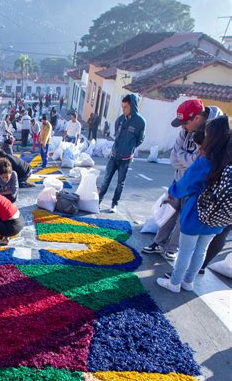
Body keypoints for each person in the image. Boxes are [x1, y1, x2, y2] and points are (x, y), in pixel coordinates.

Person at [157, 116, 231, 293]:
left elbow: (186, 184)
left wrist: (172, 191)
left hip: (197, 211)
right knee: (201, 250)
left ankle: (174, 283)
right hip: (218, 217)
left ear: (213, 136)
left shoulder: (207, 160)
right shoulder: (228, 160)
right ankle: (188, 282)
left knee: (186, 250)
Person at [143, 100, 223, 260]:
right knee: (169, 211)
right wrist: (187, 159)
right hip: (179, 180)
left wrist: (183, 158)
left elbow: (199, 164)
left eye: (185, 123)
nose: (182, 127)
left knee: (184, 218)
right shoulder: (186, 131)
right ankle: (159, 243)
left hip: (196, 186)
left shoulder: (212, 133)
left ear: (198, 119)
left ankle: (172, 248)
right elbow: (174, 158)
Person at [98, 94, 146, 213]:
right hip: (114, 156)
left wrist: (130, 148)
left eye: (125, 107)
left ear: (133, 106)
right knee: (106, 180)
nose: (123, 109)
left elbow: (140, 139)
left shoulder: (140, 122)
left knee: (120, 183)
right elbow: (116, 135)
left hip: (126, 159)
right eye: (122, 107)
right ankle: (98, 201)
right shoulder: (120, 120)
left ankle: (114, 204)